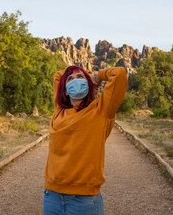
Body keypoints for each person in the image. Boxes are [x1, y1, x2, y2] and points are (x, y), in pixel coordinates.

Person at [43, 65, 128, 215]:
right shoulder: (59, 111)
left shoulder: (101, 110)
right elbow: (58, 75)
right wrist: (81, 73)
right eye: (70, 79)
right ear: (64, 89)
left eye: (80, 78)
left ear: (89, 85)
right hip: (52, 196)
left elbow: (119, 74)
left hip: (84, 200)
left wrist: (95, 75)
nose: (75, 81)